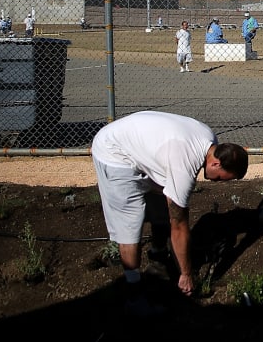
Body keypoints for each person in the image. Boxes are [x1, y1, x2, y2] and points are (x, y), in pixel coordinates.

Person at [90, 111, 248, 315]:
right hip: (115, 152)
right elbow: (179, 225)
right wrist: (186, 274)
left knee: (162, 204)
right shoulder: (185, 165)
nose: (219, 183)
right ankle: (134, 296)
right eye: (221, 178)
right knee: (131, 224)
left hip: (140, 146)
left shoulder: (210, 142)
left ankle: (158, 259)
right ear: (216, 163)